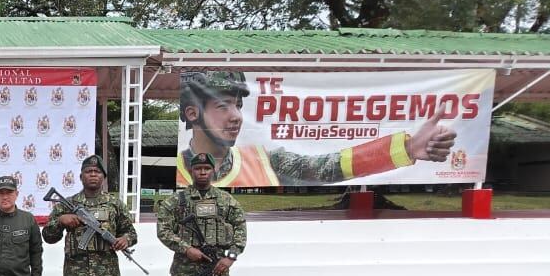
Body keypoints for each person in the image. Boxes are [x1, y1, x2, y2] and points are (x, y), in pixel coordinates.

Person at [178, 70, 458, 190]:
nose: (236, 116)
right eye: (223, 106)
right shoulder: (178, 172)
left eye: (238, 106)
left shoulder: (264, 161)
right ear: (193, 114)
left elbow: (328, 167)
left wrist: (406, 148)